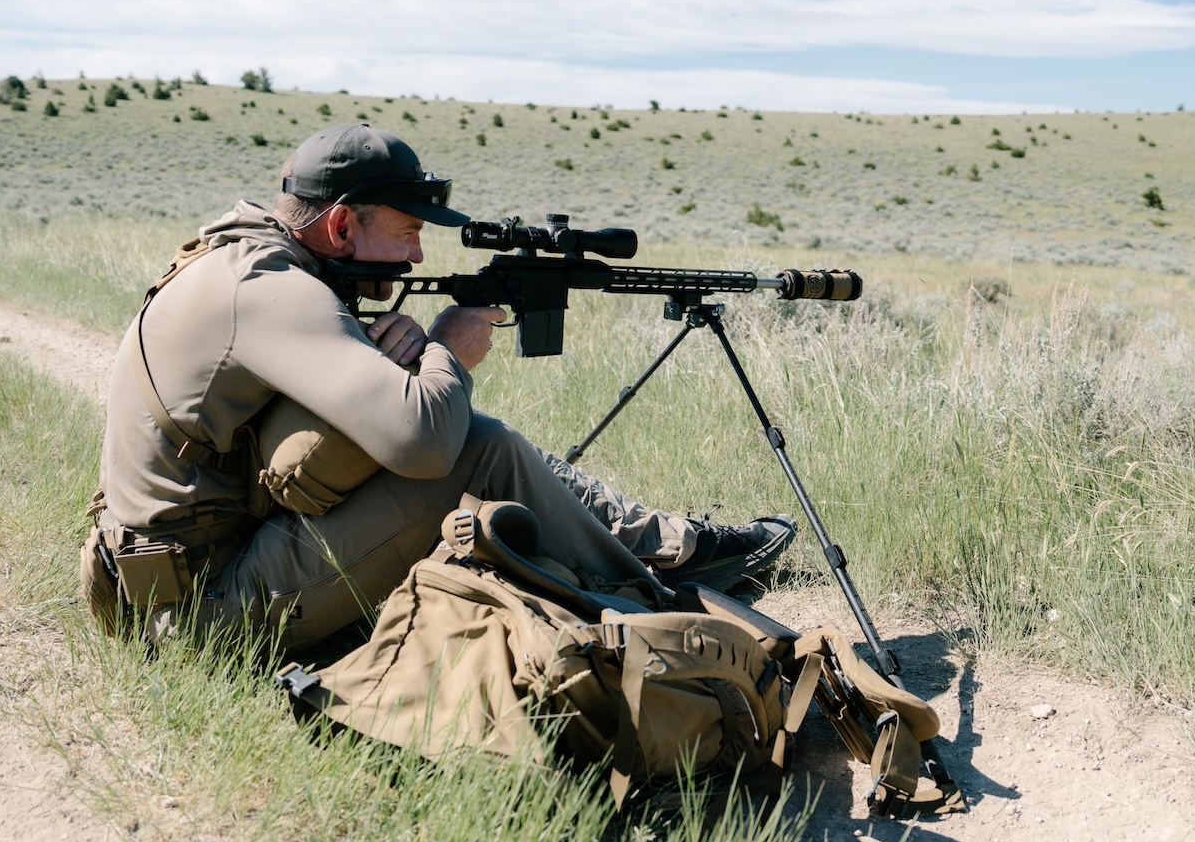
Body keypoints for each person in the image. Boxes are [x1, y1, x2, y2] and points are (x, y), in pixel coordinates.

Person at [92, 123, 794, 656]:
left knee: (465, 432)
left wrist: (403, 364)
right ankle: (667, 611)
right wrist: (448, 352)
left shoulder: (244, 259)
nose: (419, 256)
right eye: (407, 232)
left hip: (174, 588)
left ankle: (660, 547)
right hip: (200, 618)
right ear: (340, 224)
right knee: (473, 446)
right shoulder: (270, 288)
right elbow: (422, 444)